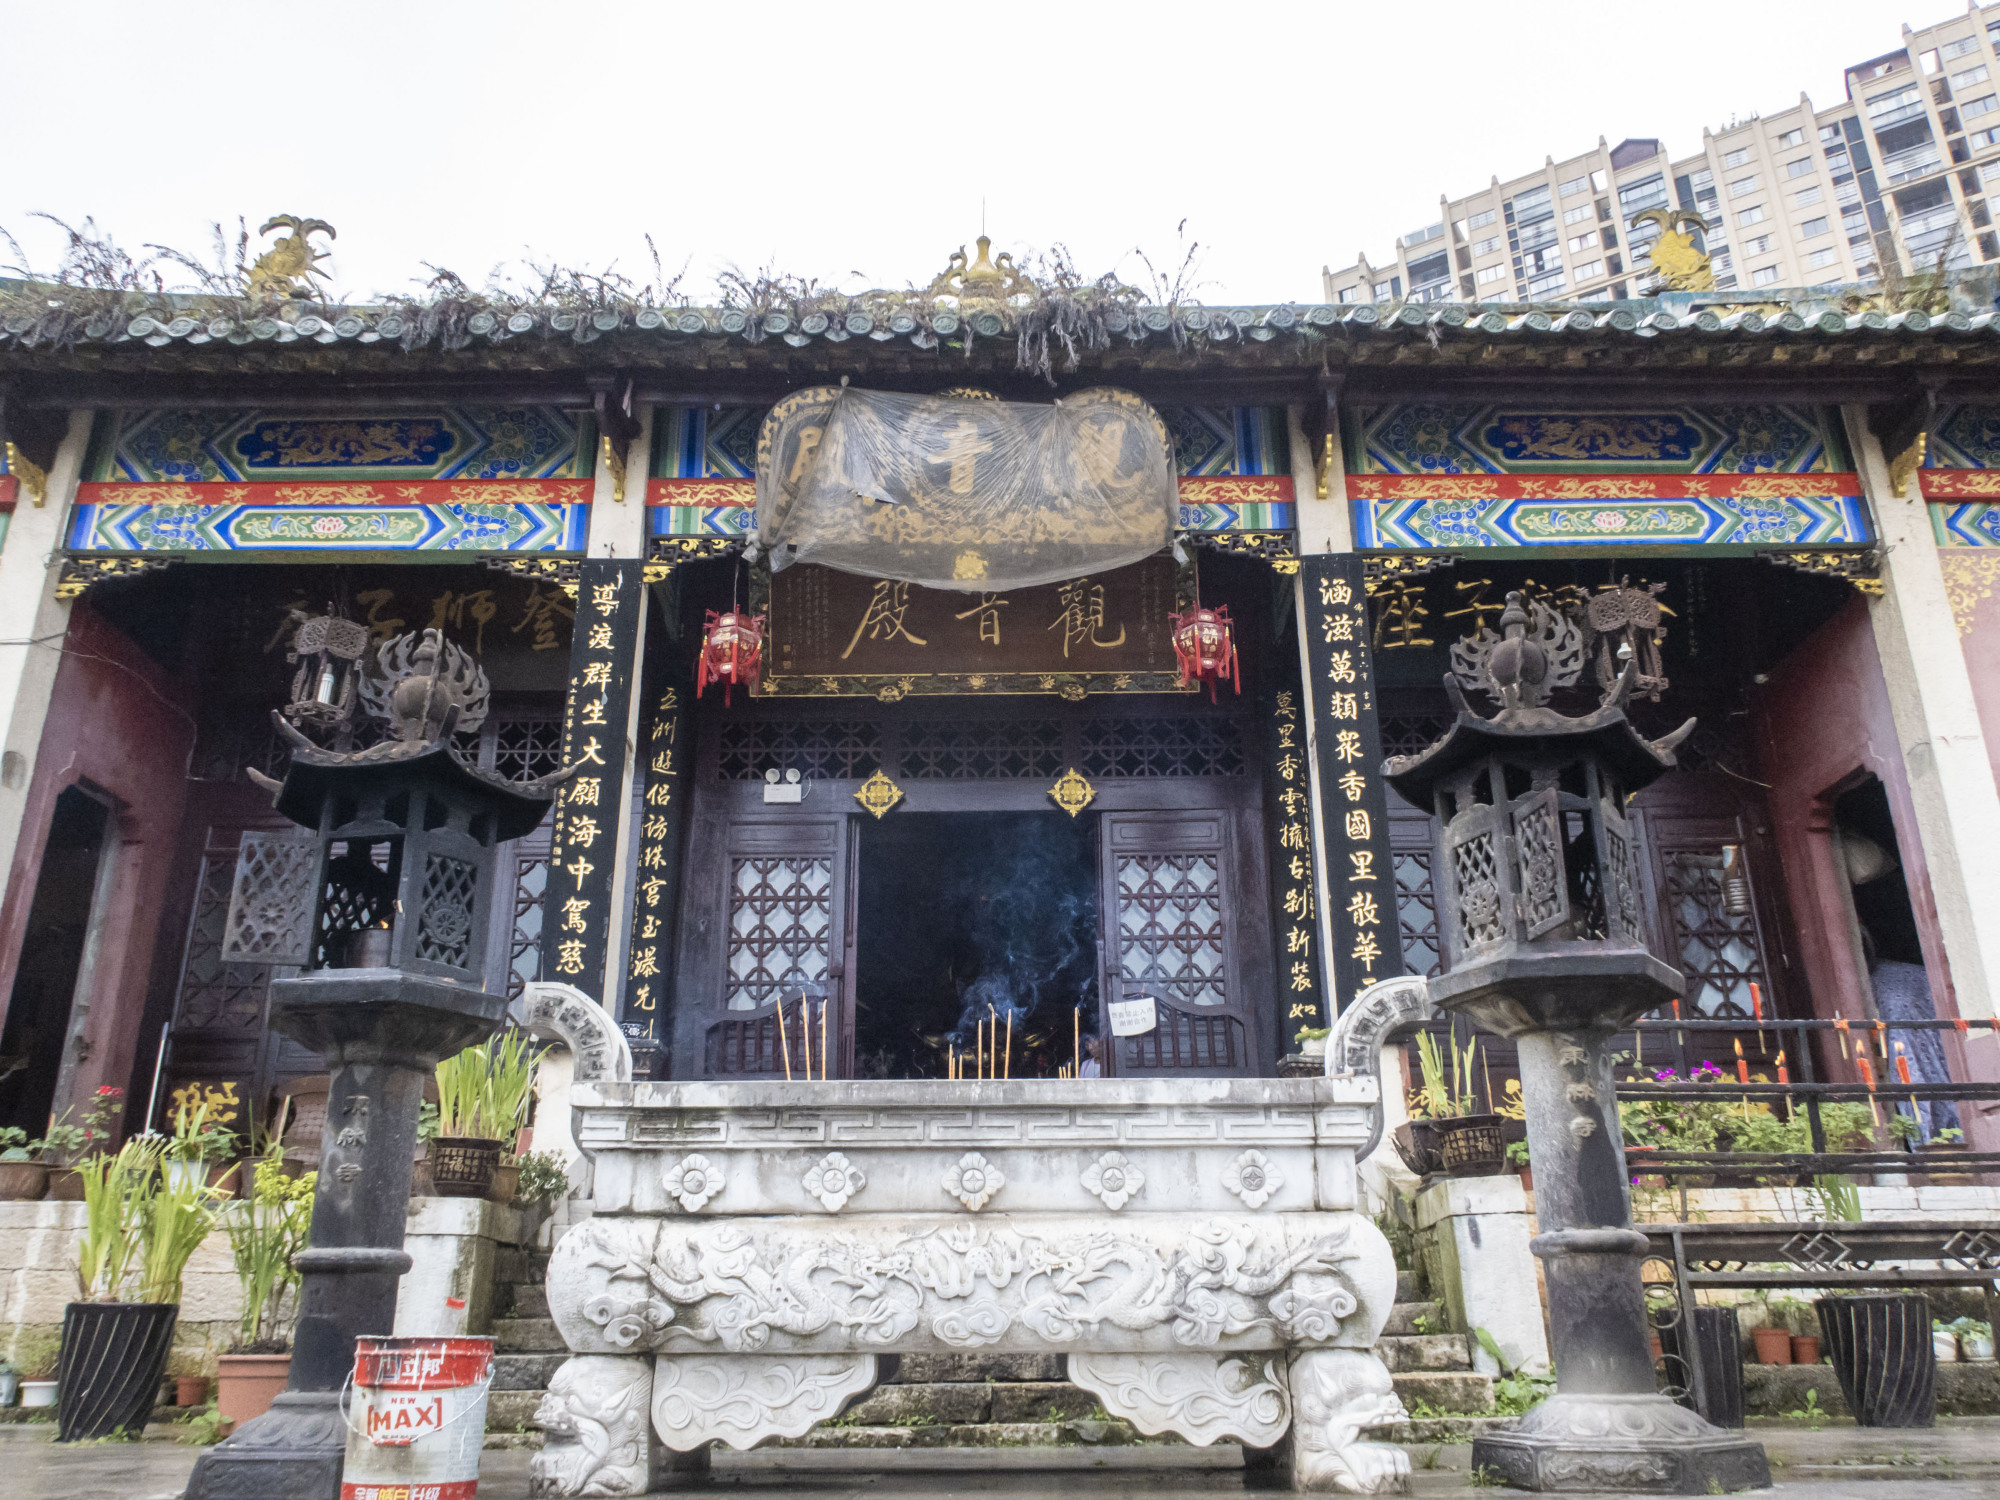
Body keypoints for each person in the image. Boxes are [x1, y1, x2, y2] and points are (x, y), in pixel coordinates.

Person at [1863, 926, 1961, 1140]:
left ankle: (1931, 1149)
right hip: (1948, 1056)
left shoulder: (1883, 985)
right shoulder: (1903, 974)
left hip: (1909, 1048)